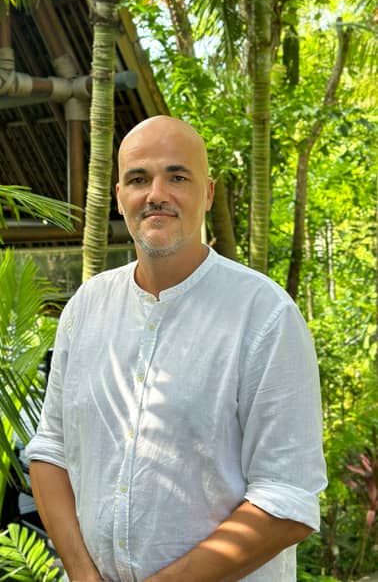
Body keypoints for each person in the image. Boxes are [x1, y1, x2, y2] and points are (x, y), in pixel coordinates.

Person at [25, 115, 327, 582]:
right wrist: (83, 574)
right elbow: (51, 450)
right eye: (139, 179)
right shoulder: (87, 307)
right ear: (120, 196)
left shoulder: (264, 316)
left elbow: (286, 496)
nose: (156, 194)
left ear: (206, 193)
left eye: (177, 176)